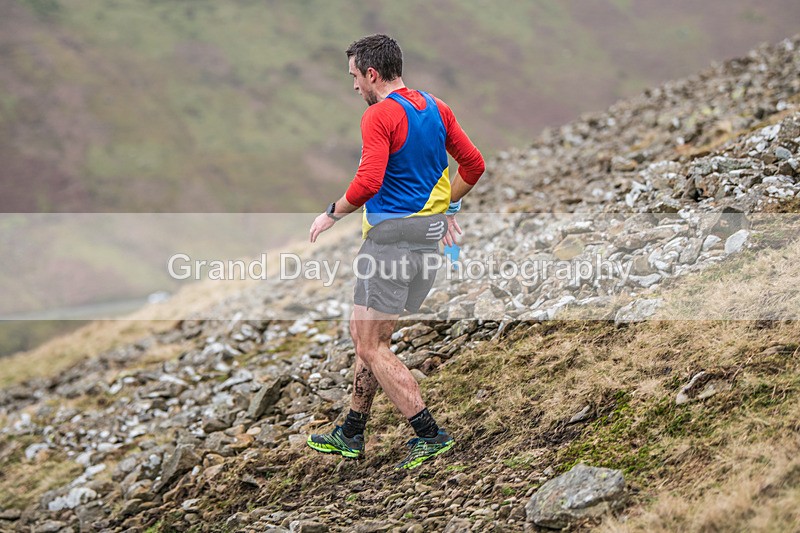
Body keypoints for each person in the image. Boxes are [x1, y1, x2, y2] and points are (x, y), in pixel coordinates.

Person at [306, 34, 485, 470]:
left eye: (354, 77)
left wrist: (333, 212)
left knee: (370, 345)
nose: (353, 87)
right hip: (424, 242)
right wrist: (448, 206)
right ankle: (351, 430)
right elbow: (474, 165)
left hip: (390, 243)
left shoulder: (379, 116)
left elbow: (368, 182)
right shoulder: (436, 107)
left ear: (371, 74)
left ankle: (429, 433)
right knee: (367, 336)